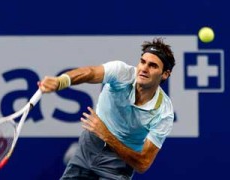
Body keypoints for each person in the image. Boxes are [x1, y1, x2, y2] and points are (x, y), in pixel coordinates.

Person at [39, 37, 175, 179]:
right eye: (142, 62)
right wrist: (61, 81)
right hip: (89, 146)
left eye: (152, 66)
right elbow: (90, 72)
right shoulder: (121, 72)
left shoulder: (164, 113)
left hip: (119, 163)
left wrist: (107, 135)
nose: (144, 69)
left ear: (165, 74)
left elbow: (142, 164)